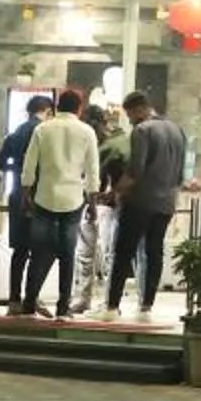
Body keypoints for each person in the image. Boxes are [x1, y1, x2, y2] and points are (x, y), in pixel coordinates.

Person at [15, 88, 98, 316]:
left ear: (58, 106)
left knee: (39, 251)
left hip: (44, 197)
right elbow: (92, 170)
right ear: (79, 108)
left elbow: (29, 165)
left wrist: (26, 194)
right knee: (67, 254)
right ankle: (63, 307)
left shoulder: (43, 129)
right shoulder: (86, 131)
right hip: (73, 199)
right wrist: (92, 202)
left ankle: (29, 302)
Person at [106, 92, 189, 317]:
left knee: (123, 252)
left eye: (130, 115)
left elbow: (135, 171)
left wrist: (114, 193)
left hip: (140, 201)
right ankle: (146, 306)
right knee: (154, 252)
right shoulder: (177, 130)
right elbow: (181, 174)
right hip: (167, 203)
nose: (130, 120)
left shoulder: (142, 131)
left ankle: (112, 306)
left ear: (138, 109)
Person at [75, 93, 132, 315]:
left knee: (96, 253)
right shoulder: (122, 141)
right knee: (103, 253)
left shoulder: (108, 146)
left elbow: (94, 177)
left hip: (104, 204)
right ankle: (101, 300)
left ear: (95, 124)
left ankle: (90, 299)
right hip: (111, 204)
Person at [0, 94, 51, 313]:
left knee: (19, 251)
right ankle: (32, 299)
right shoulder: (42, 132)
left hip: (16, 194)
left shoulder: (15, 133)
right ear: (47, 111)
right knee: (40, 249)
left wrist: (16, 168)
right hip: (37, 195)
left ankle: (14, 300)